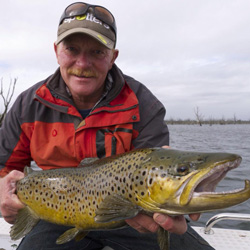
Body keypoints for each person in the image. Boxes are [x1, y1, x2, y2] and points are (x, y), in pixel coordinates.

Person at [0, 2, 214, 250]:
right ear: (56, 51)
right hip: (56, 214)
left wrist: (172, 207)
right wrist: (4, 192)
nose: (82, 63)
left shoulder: (144, 105)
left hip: (130, 217)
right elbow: (4, 166)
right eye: (72, 49)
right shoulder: (29, 104)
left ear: (112, 57)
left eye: (97, 52)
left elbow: (157, 177)